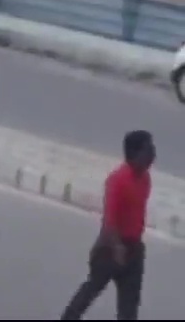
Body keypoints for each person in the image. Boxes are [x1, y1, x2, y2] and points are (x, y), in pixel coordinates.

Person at [60, 130, 155, 320]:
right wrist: (116, 247)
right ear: (135, 153)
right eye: (148, 149)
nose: (153, 153)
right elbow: (109, 220)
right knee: (90, 291)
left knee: (129, 307)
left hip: (134, 249)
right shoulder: (118, 180)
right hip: (111, 247)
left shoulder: (145, 180)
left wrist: (133, 249)